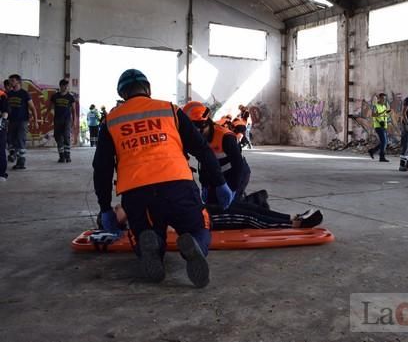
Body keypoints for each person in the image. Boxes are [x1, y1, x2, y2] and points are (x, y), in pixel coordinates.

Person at [93, 69, 234, 288]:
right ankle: (194, 243)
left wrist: (105, 207)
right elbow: (201, 149)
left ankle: (153, 245)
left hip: (137, 194)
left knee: (145, 233)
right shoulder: (170, 110)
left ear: (122, 94)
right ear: (148, 89)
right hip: (178, 186)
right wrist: (220, 183)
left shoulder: (111, 121)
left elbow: (101, 168)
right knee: (200, 227)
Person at [183, 101, 322, 229]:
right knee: (230, 206)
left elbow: (237, 166)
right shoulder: (193, 139)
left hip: (236, 173)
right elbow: (204, 164)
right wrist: (206, 184)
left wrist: (230, 189)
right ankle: (259, 201)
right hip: (217, 175)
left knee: (232, 207)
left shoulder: (226, 138)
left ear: (204, 125)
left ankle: (293, 222)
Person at [7, 74, 38, 170]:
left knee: (21, 140)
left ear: (18, 82)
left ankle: (21, 162)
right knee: (10, 140)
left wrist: (36, 121)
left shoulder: (24, 94)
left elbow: (32, 108)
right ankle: (14, 155)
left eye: (12, 80)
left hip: (22, 121)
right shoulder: (9, 94)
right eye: (10, 80)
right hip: (11, 121)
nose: (10, 82)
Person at [50, 79, 76, 163]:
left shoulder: (70, 97)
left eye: (66, 86)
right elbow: (50, 107)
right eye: (64, 86)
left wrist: (74, 120)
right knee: (58, 138)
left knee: (66, 136)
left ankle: (67, 156)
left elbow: (74, 110)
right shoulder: (55, 96)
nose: (65, 87)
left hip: (67, 120)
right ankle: (61, 156)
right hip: (57, 120)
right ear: (60, 86)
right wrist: (47, 117)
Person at [368, 93, 391, 162]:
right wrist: (383, 113)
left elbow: (384, 114)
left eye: (385, 99)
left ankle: (372, 151)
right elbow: (373, 114)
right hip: (378, 126)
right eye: (383, 99)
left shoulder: (384, 106)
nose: (384, 100)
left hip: (384, 125)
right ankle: (382, 157)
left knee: (385, 142)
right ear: (379, 98)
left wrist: (387, 113)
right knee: (384, 141)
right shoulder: (375, 106)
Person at [0, 85, 8, 181]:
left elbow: (5, 112)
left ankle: (1, 174)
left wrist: (2, 124)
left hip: (0, 127)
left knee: (1, 150)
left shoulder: (2, 95)